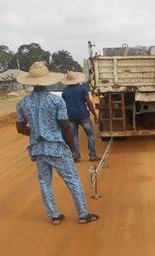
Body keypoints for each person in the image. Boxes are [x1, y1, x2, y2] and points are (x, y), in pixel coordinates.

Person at [15, 62, 99, 225]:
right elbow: (66, 127)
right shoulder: (56, 101)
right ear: (48, 80)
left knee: (45, 181)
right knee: (72, 179)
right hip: (57, 148)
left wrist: (36, 133)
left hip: (38, 149)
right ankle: (82, 214)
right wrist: (74, 148)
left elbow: (20, 128)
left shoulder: (23, 103)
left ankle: (54, 215)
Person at [61, 71, 100, 162]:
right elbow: (89, 102)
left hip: (70, 116)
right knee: (90, 135)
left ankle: (76, 156)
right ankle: (92, 155)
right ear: (77, 79)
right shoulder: (82, 89)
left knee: (74, 137)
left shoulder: (65, 92)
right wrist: (94, 114)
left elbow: (64, 105)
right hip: (83, 115)